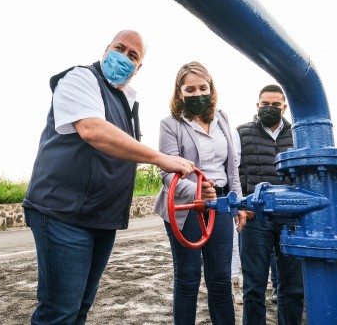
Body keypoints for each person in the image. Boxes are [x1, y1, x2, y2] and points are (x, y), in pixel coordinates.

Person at [22, 30, 195, 324]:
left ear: (139, 68)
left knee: (80, 309)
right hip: (63, 212)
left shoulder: (127, 102)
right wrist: (160, 157)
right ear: (106, 49)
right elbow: (92, 130)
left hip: (100, 217)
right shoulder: (80, 78)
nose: (124, 57)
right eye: (120, 48)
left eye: (133, 55)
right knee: (59, 313)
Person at [154, 61, 243, 325]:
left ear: (211, 88)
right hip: (185, 207)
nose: (197, 94)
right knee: (188, 278)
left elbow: (232, 166)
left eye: (203, 88)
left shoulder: (222, 118)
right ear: (180, 92)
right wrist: (197, 190)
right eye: (190, 89)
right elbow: (167, 172)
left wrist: (235, 202)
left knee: (220, 280)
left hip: (221, 204)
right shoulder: (170, 124)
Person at [233, 84, 304, 325]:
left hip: (290, 219)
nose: (270, 108)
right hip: (256, 217)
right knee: (254, 287)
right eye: (265, 104)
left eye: (276, 104)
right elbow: (233, 171)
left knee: (293, 287)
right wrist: (241, 205)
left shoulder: (298, 134)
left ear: (284, 107)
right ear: (257, 105)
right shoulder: (242, 133)